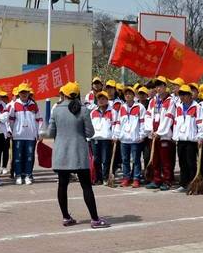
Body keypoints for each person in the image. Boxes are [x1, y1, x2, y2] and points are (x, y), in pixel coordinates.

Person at [48, 81, 109, 228]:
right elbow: (90, 132)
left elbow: (50, 133)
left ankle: (66, 217)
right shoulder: (84, 110)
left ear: (64, 94)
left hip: (61, 152)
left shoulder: (56, 110)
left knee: (62, 185)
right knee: (86, 186)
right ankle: (94, 219)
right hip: (79, 152)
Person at [144, 76, 177, 191]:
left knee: (165, 160)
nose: (158, 88)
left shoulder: (170, 101)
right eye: (156, 86)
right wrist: (150, 130)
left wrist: (160, 132)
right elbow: (148, 115)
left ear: (165, 87)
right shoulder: (153, 100)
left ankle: (167, 180)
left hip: (164, 135)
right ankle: (156, 179)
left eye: (160, 86)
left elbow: (169, 117)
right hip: (153, 134)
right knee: (155, 159)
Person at [172, 84, 203, 193]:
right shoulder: (179, 107)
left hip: (191, 140)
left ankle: (192, 183)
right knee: (182, 163)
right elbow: (176, 123)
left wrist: (200, 137)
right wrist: (175, 136)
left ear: (190, 95)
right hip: (181, 139)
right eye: (180, 94)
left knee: (191, 163)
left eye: (185, 94)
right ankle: (183, 184)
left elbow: (200, 123)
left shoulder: (197, 107)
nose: (182, 97)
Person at [9, 83, 43, 185]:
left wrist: (39, 132)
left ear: (29, 93)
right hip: (18, 135)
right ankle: (18, 175)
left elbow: (39, 119)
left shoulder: (33, 105)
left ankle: (28, 175)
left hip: (30, 136)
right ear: (19, 93)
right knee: (18, 157)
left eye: (26, 92)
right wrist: (11, 131)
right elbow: (10, 120)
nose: (24, 94)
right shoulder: (14, 105)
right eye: (22, 92)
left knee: (29, 156)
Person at [114, 86, 146, 188]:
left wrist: (142, 135)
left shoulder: (140, 107)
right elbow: (119, 123)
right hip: (124, 139)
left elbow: (143, 122)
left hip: (135, 139)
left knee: (136, 160)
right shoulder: (122, 107)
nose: (127, 95)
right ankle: (126, 178)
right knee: (125, 160)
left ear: (133, 95)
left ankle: (136, 178)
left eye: (129, 93)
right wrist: (116, 135)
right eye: (126, 94)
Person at [89, 91, 115, 185]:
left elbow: (115, 125)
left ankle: (105, 178)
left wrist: (114, 136)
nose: (101, 100)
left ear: (107, 100)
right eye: (99, 99)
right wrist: (89, 138)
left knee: (105, 160)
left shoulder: (112, 112)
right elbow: (90, 126)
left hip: (106, 139)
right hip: (95, 139)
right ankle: (98, 178)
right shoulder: (93, 112)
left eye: (103, 99)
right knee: (96, 160)